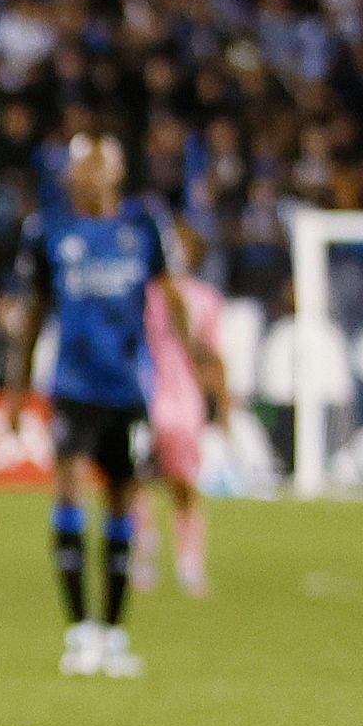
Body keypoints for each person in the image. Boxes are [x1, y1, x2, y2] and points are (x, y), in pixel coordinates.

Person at [2, 135, 215, 677]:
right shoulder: (48, 230)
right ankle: (79, 631)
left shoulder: (143, 228)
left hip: (127, 388)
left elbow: (173, 296)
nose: (88, 175)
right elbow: (33, 313)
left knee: (123, 499)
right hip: (72, 386)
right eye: (80, 167)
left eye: (99, 165)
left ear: (117, 173)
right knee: (69, 486)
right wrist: (17, 387)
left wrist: (193, 361)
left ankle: (115, 633)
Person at [136, 223, 226, 597]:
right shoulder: (143, 294)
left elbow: (213, 356)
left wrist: (222, 407)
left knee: (183, 484)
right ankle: (142, 558)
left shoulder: (206, 299)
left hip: (183, 400)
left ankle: (190, 562)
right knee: (136, 482)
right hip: (142, 395)